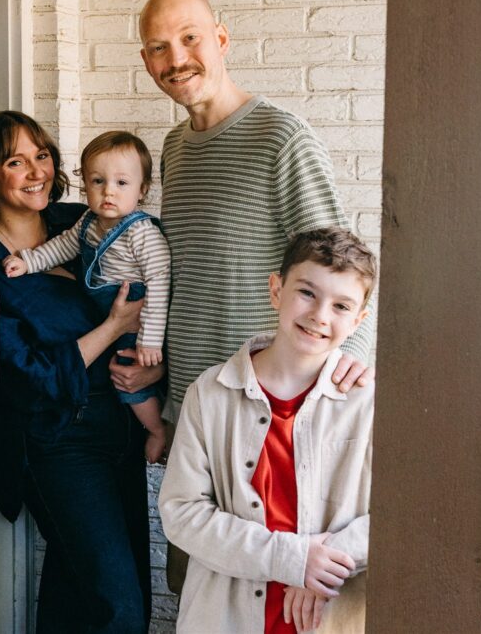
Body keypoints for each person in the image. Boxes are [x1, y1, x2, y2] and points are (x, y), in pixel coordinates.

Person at [120, 0, 377, 593]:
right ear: (146, 60)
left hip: (273, 421)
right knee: (199, 593)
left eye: (190, 38)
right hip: (195, 413)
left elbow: (340, 272)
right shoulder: (176, 148)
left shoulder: (282, 139)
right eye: (158, 47)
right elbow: (191, 274)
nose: (175, 57)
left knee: (284, 602)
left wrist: (350, 367)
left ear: (222, 40)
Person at [0, 111, 155, 634]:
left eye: (41, 155)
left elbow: (158, 271)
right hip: (58, 438)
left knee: (86, 586)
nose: (35, 171)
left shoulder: (84, 223)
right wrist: (114, 326)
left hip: (122, 425)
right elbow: (30, 376)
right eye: (15, 161)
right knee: (119, 607)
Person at [159, 227, 376, 634]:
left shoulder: (369, 402)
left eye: (342, 306)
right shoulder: (210, 393)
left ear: (360, 320)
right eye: (307, 293)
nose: (320, 316)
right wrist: (290, 559)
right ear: (276, 289)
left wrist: (323, 563)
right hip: (225, 617)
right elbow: (182, 513)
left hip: (329, 616)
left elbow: (401, 514)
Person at [0, 131, 171, 463]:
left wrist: (150, 339)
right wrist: (29, 261)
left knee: (129, 376)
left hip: (140, 308)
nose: (108, 191)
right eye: (98, 181)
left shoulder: (143, 233)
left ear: (143, 190)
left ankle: (156, 429)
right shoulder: (87, 222)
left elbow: (160, 283)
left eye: (122, 183)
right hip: (109, 311)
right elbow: (61, 247)